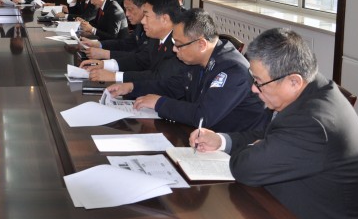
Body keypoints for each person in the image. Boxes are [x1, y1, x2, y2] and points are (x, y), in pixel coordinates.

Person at [189, 28, 358, 219]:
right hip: (292, 204)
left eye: (259, 82)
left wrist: (258, 148)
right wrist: (222, 140)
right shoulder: (312, 86)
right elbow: (267, 134)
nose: (254, 89)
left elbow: (245, 168)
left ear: (293, 81)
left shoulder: (312, 124)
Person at [106, 8, 269, 131]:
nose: (174, 49)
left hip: (234, 145)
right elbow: (174, 86)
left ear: (201, 44)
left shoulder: (232, 70)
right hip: (203, 135)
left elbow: (203, 116)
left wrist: (159, 103)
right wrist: (132, 87)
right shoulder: (200, 59)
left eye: (178, 44)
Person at [81, 0, 184, 86]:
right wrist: (103, 64)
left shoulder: (179, 44)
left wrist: (115, 76)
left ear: (164, 19)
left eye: (147, 16)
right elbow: (140, 60)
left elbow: (158, 77)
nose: (143, 21)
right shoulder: (156, 37)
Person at [81, 0, 151, 59]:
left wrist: (105, 54)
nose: (126, 14)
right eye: (125, 9)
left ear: (144, 7)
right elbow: (126, 43)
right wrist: (97, 44)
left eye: (130, 9)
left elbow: (140, 58)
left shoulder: (114, 9)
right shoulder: (139, 25)